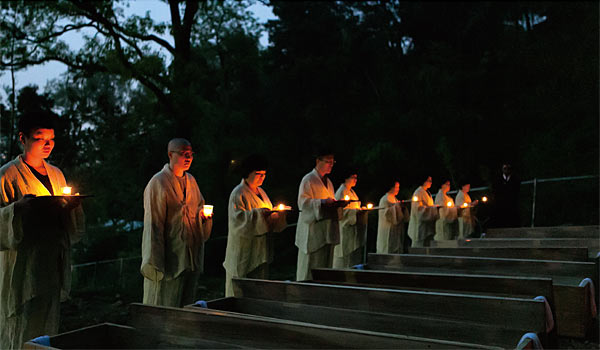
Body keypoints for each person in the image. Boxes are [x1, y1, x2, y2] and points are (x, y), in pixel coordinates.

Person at [0, 111, 85, 349]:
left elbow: (69, 224)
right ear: (22, 138)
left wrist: (71, 208)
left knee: (47, 331)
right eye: (40, 138)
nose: (48, 144)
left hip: (51, 265)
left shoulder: (57, 174)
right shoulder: (7, 175)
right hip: (22, 268)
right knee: (20, 330)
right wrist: (17, 210)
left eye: (52, 139)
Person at [141, 138, 212, 307]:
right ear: (170, 155)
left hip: (190, 256)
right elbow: (154, 225)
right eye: (183, 154)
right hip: (170, 256)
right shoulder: (158, 183)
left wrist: (203, 218)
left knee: (185, 303)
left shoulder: (192, 182)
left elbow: (199, 208)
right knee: (164, 301)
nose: (188, 158)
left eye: (190, 154)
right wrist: (156, 260)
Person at [223, 155, 287, 297]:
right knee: (240, 289)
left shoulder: (262, 193)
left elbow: (268, 219)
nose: (261, 177)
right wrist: (259, 214)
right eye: (257, 174)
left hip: (260, 249)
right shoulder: (238, 193)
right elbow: (237, 221)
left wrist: (276, 215)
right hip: (244, 249)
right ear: (247, 173)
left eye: (264, 174)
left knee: (258, 288)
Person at [295, 150, 343, 281]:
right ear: (318, 161)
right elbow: (303, 204)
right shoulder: (308, 180)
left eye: (333, 162)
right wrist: (321, 202)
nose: (331, 165)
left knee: (324, 270)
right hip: (313, 233)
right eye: (328, 161)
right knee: (310, 269)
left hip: (326, 233)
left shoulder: (329, 183)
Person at [333, 170, 366, 268]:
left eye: (356, 177)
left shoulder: (351, 192)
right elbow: (340, 211)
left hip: (353, 230)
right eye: (353, 177)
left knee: (352, 257)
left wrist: (360, 210)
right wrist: (355, 212)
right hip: (344, 228)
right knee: (344, 256)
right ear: (346, 178)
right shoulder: (341, 192)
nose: (355, 180)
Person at [376, 180, 409, 254]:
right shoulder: (384, 199)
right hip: (387, 228)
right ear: (391, 187)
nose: (398, 189)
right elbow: (386, 214)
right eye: (396, 187)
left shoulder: (395, 199)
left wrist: (402, 207)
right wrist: (397, 207)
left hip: (396, 230)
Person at [407, 175, 438, 247]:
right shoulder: (418, 193)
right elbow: (418, 211)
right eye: (429, 181)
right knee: (420, 248)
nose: (431, 182)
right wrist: (433, 209)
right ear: (424, 181)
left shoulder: (428, 193)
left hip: (428, 228)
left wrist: (433, 209)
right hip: (420, 228)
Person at [491, 163, 521, 228]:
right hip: (501, 201)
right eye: (505, 168)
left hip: (511, 201)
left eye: (508, 169)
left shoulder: (515, 179)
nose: (507, 170)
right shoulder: (498, 179)